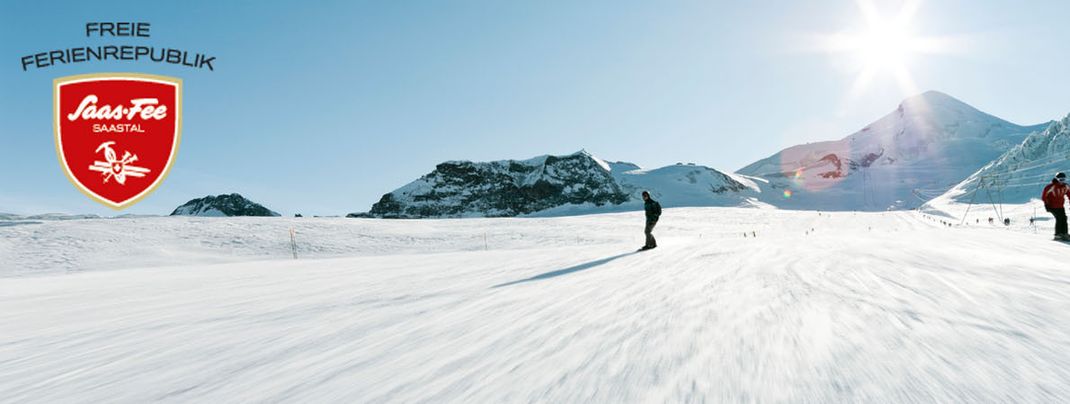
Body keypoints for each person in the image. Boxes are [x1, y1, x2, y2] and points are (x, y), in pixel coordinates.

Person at [1042, 172, 1070, 241]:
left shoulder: (1066, 186)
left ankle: (1064, 234)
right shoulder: (1050, 187)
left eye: (1063, 179)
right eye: (1060, 179)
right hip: (1052, 206)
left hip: (1060, 206)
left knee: (1064, 218)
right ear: (1057, 179)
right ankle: (1057, 235)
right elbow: (1044, 196)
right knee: (1059, 218)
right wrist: (1046, 205)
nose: (1062, 181)